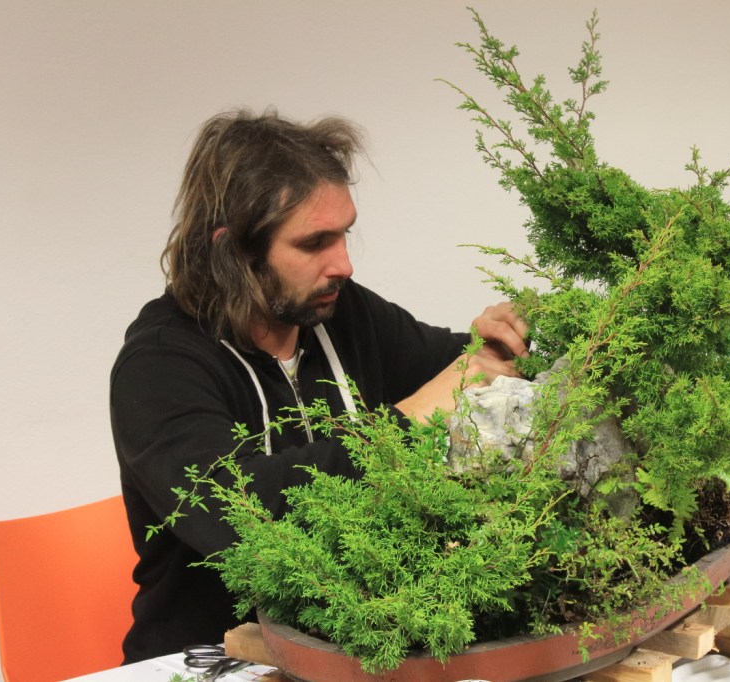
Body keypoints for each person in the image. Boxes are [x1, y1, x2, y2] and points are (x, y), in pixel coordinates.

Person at [109, 108, 529, 663]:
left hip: (351, 651)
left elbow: (451, 366)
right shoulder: (159, 366)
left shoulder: (338, 313)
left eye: (344, 234)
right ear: (232, 251)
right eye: (314, 243)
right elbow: (239, 516)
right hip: (210, 659)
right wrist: (405, 424)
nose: (344, 265)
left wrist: (495, 344)